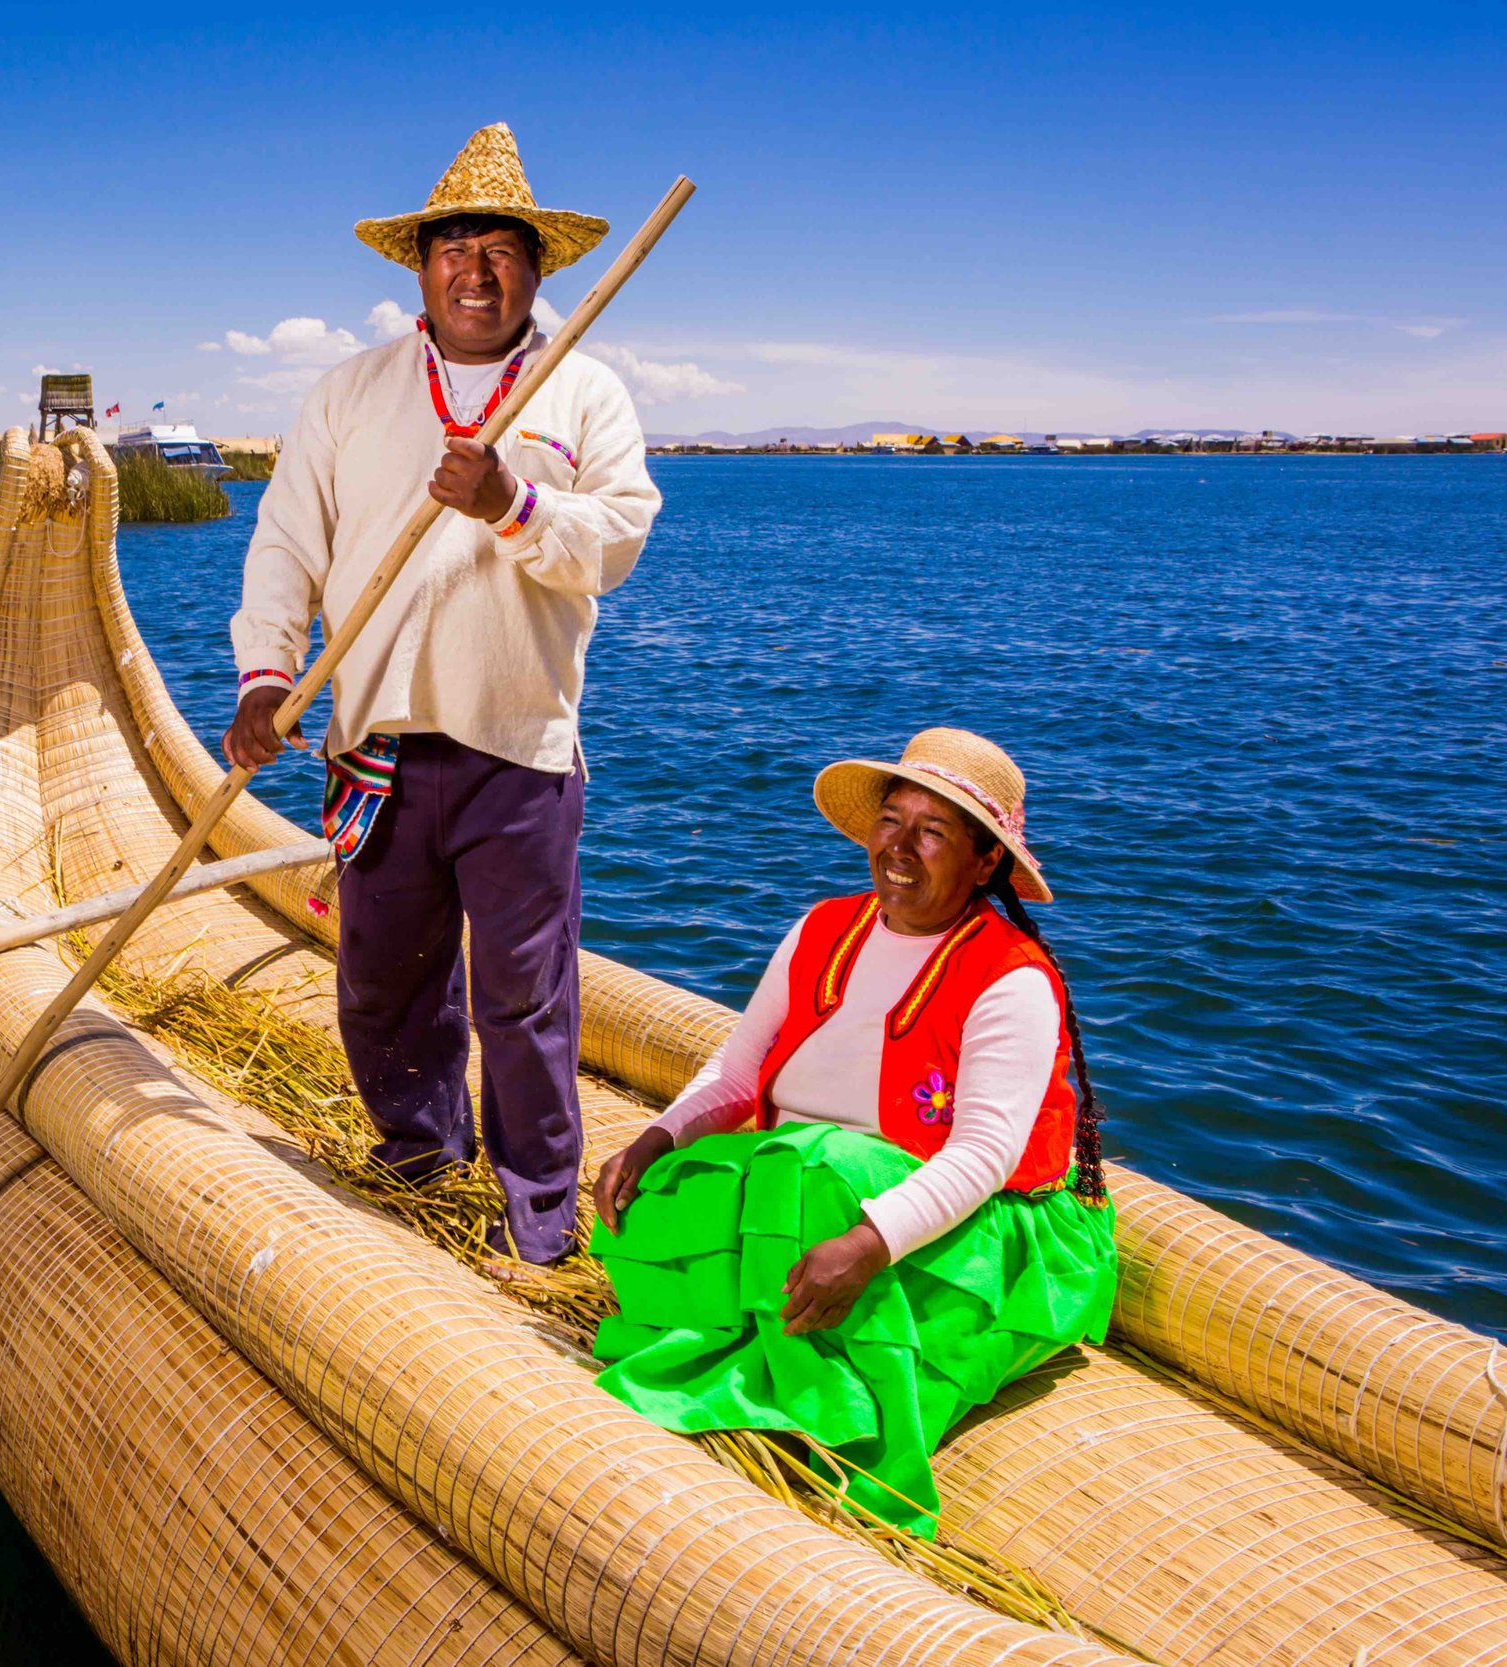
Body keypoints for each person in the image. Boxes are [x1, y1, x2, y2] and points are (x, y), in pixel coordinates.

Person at [222, 123, 660, 1266]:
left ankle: (540, 1218)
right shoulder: (352, 394)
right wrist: (267, 673)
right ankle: (420, 1166)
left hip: (518, 750)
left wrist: (512, 501)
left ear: (537, 266)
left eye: (500, 248)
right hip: (374, 747)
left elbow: (613, 542)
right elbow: (284, 548)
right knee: (380, 987)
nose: (476, 269)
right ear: (418, 268)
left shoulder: (582, 395)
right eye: (453, 246)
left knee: (524, 1001)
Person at [587, 728, 1117, 1535]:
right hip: (802, 1184)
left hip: (974, 1225)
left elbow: (982, 1156)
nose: (901, 848)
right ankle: (768, 1330)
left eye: (934, 832)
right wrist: (657, 1138)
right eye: (892, 821)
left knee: (813, 1168)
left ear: (984, 863)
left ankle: (822, 1406)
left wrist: (869, 1243)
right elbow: (735, 1075)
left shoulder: (1010, 978)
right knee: (663, 1195)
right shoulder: (825, 929)